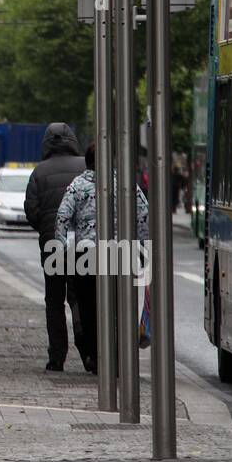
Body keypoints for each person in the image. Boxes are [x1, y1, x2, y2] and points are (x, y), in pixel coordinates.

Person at [55, 143, 149, 374]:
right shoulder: (126, 184)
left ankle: (96, 355)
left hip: (86, 256)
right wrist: (141, 246)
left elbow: (62, 218)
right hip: (119, 253)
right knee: (119, 305)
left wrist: (63, 249)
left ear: (86, 162)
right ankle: (117, 355)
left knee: (89, 307)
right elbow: (143, 214)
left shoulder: (76, 186)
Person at [24, 123, 86, 372]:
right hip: (83, 244)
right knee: (82, 297)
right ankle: (89, 351)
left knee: (54, 300)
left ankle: (57, 356)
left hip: (52, 245)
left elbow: (32, 210)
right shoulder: (85, 167)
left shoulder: (39, 172)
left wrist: (46, 230)